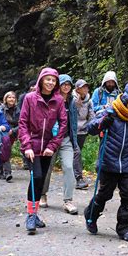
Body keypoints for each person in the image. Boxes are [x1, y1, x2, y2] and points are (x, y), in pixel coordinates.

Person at [84, 82, 128, 242]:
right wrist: (102, 123)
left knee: (127, 196)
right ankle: (91, 215)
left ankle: (124, 228)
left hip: (127, 164)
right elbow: (90, 128)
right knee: (105, 194)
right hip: (108, 162)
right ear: (125, 99)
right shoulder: (110, 111)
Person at [18, 67, 67, 235]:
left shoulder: (59, 100)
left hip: (47, 147)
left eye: (53, 80)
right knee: (36, 176)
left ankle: (34, 212)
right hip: (32, 145)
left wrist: (52, 146)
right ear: (41, 80)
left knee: (40, 180)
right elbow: (23, 122)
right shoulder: (30, 98)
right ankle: (31, 216)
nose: (50, 83)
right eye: (48, 79)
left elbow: (63, 124)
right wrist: (27, 145)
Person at [40, 74, 78, 214]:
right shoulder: (52, 99)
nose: (66, 86)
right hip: (52, 139)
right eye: (63, 84)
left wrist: (75, 143)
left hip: (66, 139)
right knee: (47, 167)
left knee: (69, 167)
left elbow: (73, 123)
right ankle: (42, 194)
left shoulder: (72, 101)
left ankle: (68, 200)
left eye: (68, 84)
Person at [72, 79, 94, 189]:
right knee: (77, 153)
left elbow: (91, 115)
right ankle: (78, 178)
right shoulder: (71, 99)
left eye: (86, 87)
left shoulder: (89, 101)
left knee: (75, 153)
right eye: (83, 87)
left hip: (83, 131)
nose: (85, 89)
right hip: (72, 130)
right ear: (77, 89)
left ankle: (72, 174)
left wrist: (90, 127)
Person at [0, 91, 20, 181]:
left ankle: (0, 170)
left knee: (5, 151)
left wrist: (13, 130)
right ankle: (7, 172)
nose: (11, 99)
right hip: (3, 133)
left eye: (13, 97)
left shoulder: (18, 110)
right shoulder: (0, 109)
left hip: (13, 133)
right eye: (9, 97)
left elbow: (22, 123)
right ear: (6, 99)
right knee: (5, 150)